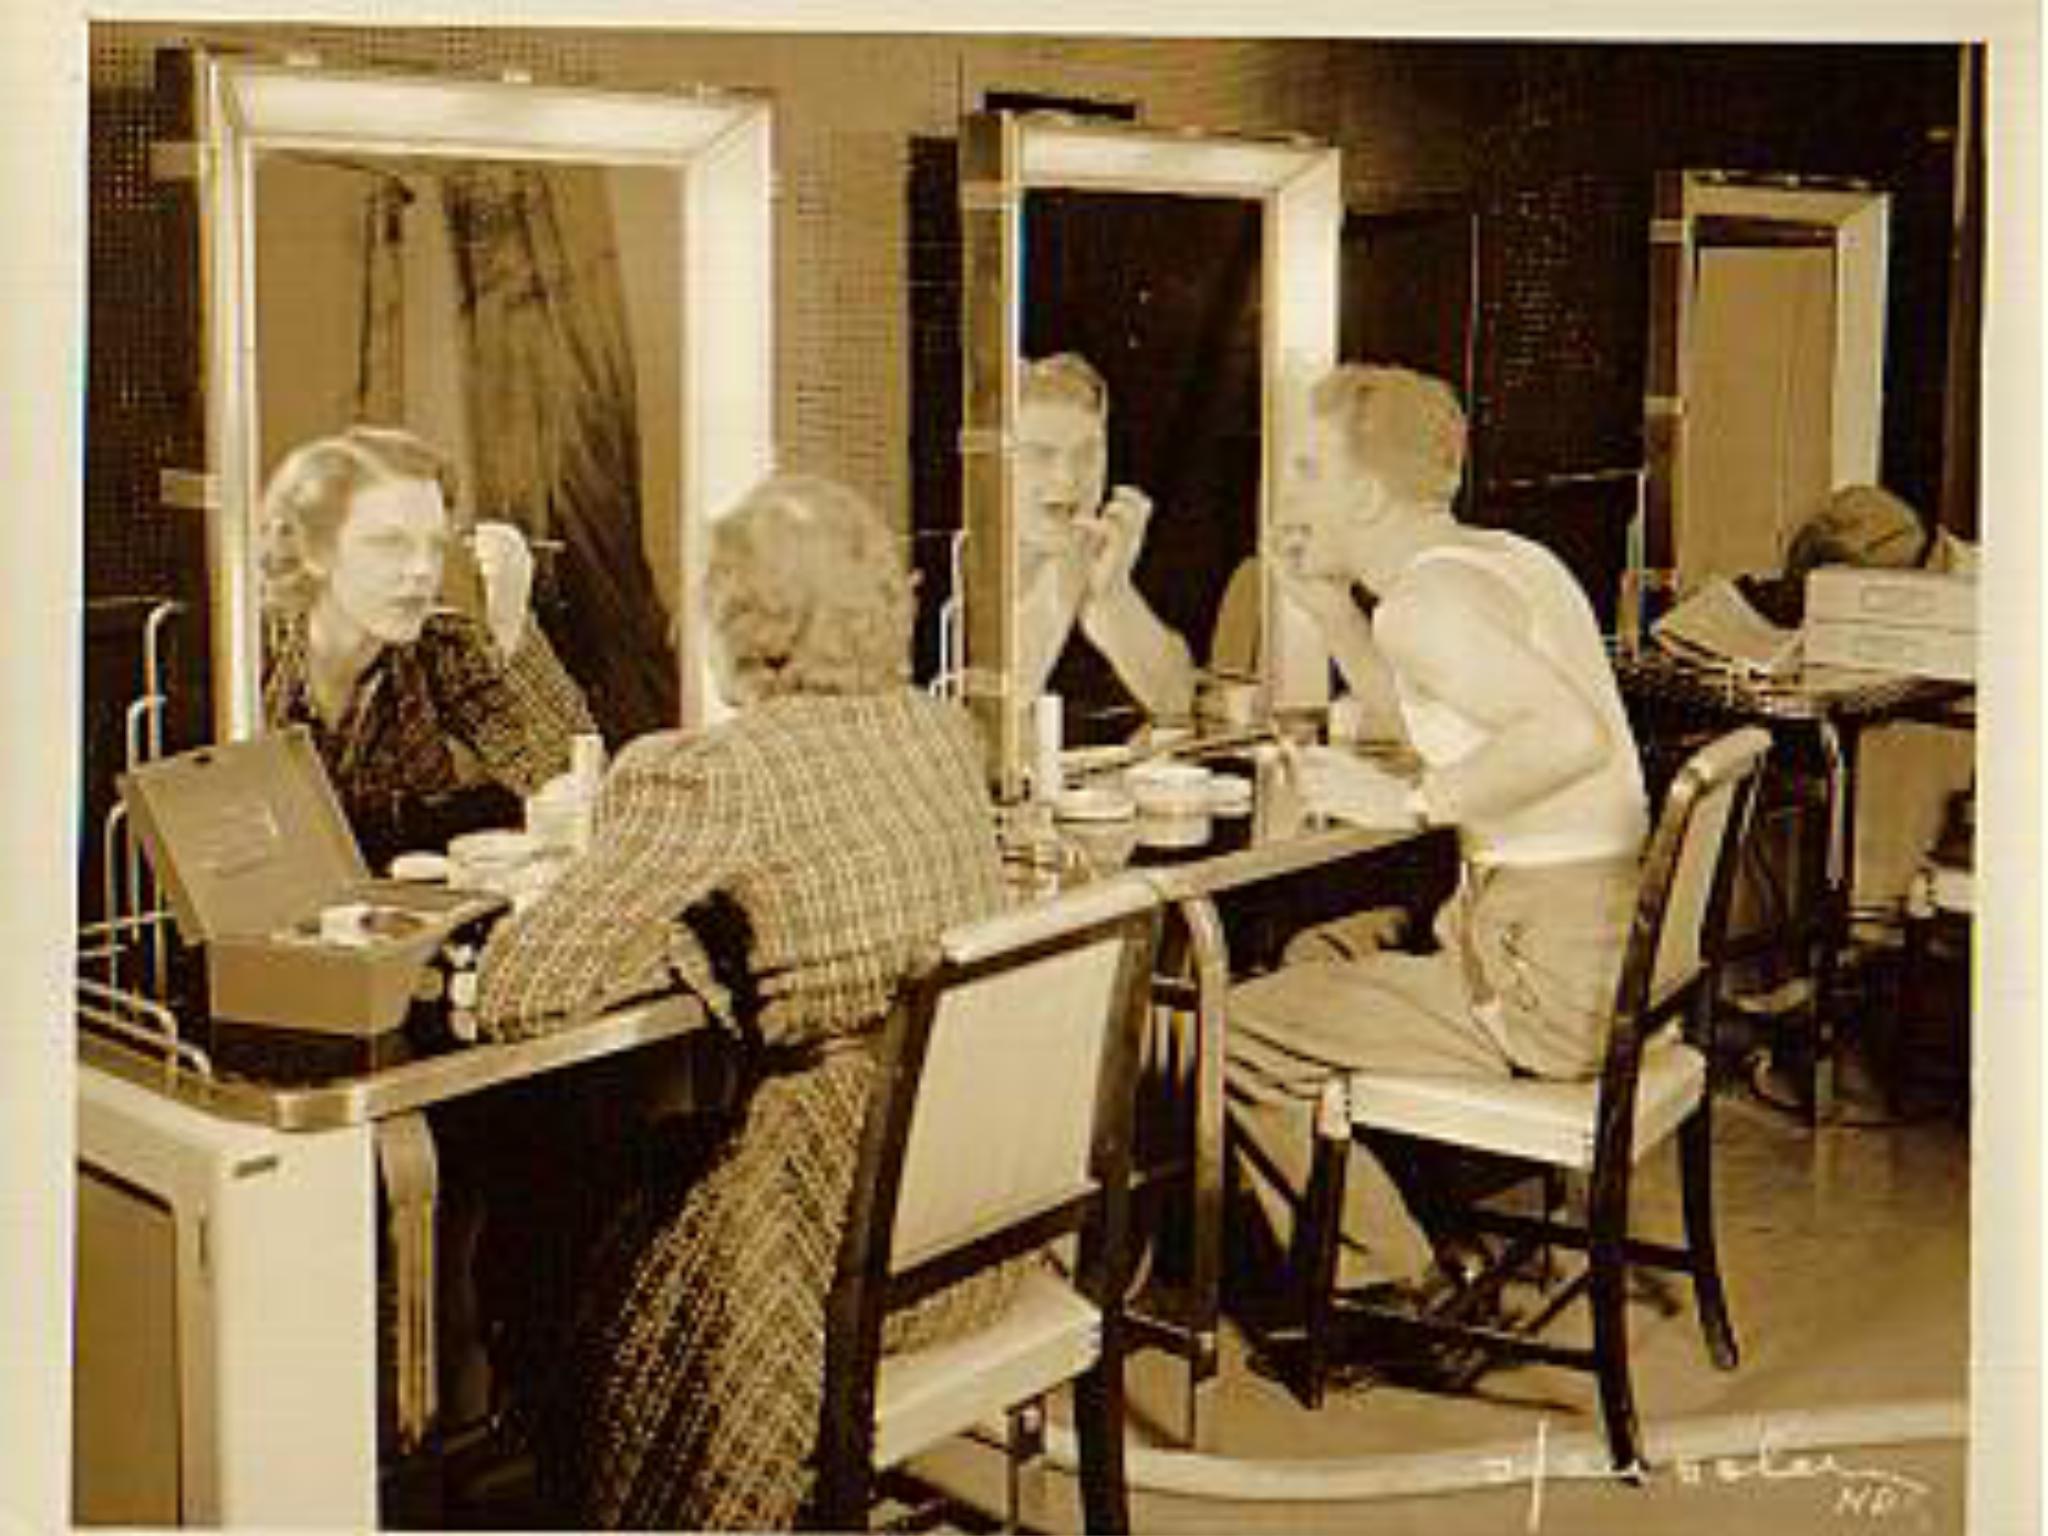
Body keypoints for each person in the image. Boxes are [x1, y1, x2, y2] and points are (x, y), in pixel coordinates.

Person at [472, 473, 1022, 1529]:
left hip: (830, 1250)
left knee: (549, 1205)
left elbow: (522, 993)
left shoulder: (716, 773)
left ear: (735, 621)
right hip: (979, 1232)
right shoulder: (939, 732)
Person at [1226, 364, 1649, 1308]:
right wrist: (1332, 609)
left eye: (1306, 468)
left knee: (1237, 1032)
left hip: (1541, 978)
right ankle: (1435, 1229)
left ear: (1367, 494)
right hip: (1585, 950)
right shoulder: (1506, 560)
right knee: (1311, 950)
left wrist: (1410, 807)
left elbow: (1566, 736)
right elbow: (1436, 713)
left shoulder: (1424, 607)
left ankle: (1401, 1285)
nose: (1288, 490)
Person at [259, 425, 595, 870]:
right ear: (316, 551)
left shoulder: (441, 647)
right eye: (390, 544)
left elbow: (568, 780)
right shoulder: (243, 660)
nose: (420, 570)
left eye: (434, 547)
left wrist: (510, 623)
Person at [1014, 352, 1198, 726]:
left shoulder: (1110, 549)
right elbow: (986, 728)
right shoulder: (942, 568)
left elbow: (1176, 701)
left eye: (1087, 455)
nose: (1067, 479)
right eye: (1040, 455)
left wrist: (1114, 594)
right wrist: (1061, 587)